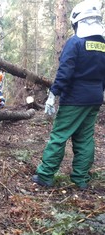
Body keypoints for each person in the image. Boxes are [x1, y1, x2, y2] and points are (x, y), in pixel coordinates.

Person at [32, 0, 105, 190]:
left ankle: (45, 175)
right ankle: (81, 179)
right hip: (94, 98)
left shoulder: (75, 42)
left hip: (74, 99)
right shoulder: (103, 45)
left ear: (78, 21)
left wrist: (53, 94)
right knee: (85, 138)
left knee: (59, 135)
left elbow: (65, 72)